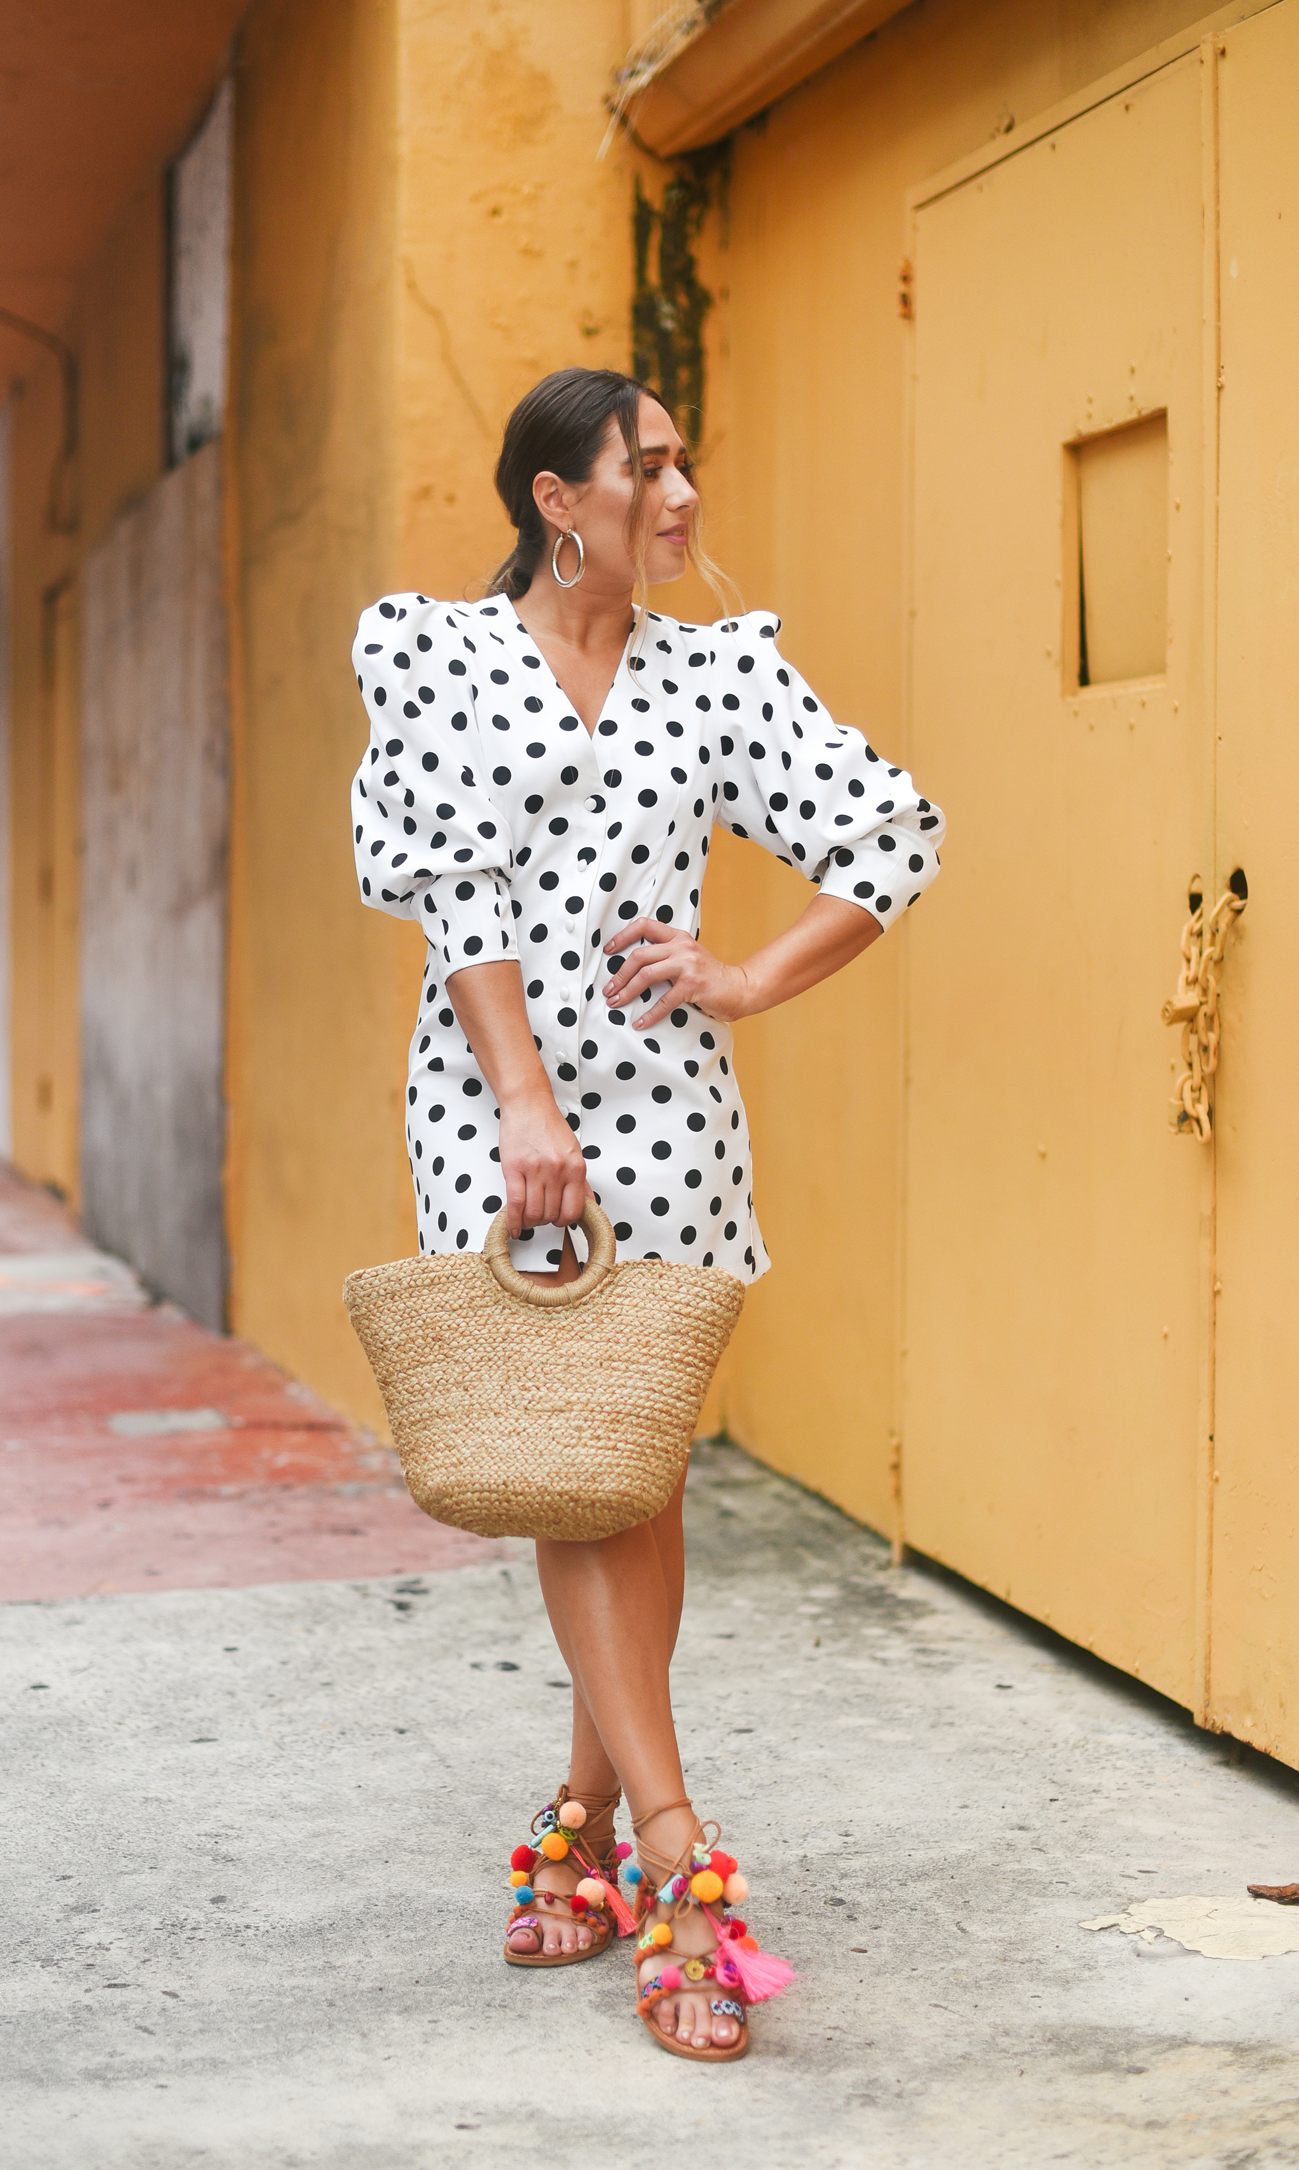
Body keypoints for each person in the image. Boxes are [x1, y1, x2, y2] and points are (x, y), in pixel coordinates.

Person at [350, 366, 943, 2061]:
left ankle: (589, 1820)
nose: (681, 496)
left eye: (688, 464)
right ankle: (683, 1859)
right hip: (493, 1094)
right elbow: (449, 891)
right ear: (559, 499)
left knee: (634, 1460)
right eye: (649, 467)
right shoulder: (440, 655)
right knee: (570, 1449)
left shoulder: (719, 675)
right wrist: (527, 1103)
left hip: (671, 1109)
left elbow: (891, 832)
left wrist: (748, 975)